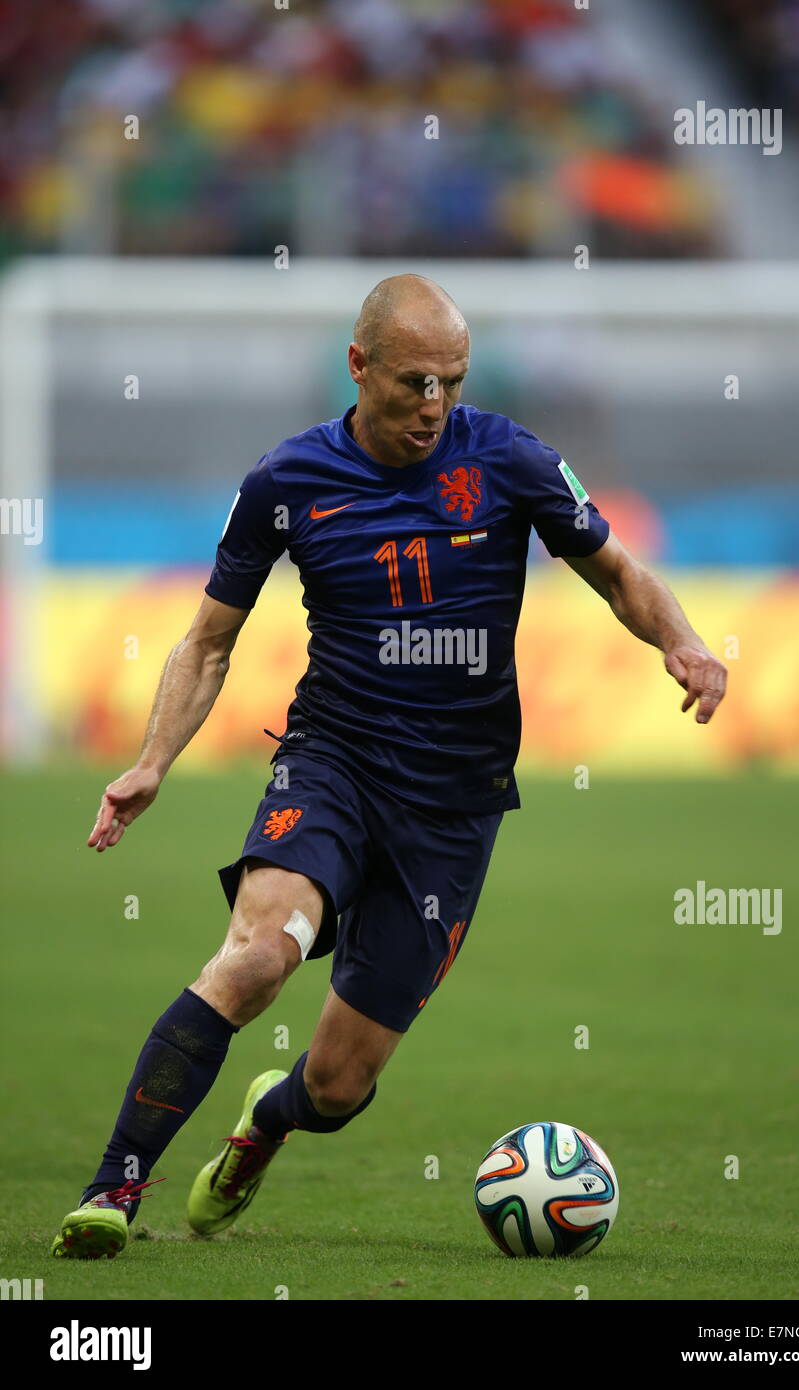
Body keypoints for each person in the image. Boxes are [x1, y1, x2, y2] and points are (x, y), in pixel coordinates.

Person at [51, 274, 726, 1259]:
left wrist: (683, 642)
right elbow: (206, 643)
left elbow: (617, 571)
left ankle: (265, 1124)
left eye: (451, 380)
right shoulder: (285, 484)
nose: (433, 404)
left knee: (336, 1086)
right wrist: (153, 760)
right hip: (331, 764)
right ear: (358, 366)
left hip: (451, 808)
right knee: (255, 958)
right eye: (414, 381)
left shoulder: (507, 458)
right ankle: (114, 1187)